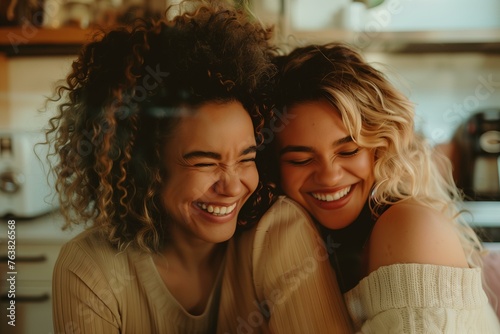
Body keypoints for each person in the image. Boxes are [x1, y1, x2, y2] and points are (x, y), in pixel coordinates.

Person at [45, 1, 353, 333]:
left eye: (246, 159)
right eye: (206, 162)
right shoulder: (89, 268)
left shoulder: (278, 232)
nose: (233, 186)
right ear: (146, 166)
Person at [264, 42, 500, 333]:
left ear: (379, 147)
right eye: (300, 159)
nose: (329, 176)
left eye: (349, 151)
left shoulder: (407, 228)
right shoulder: (316, 242)